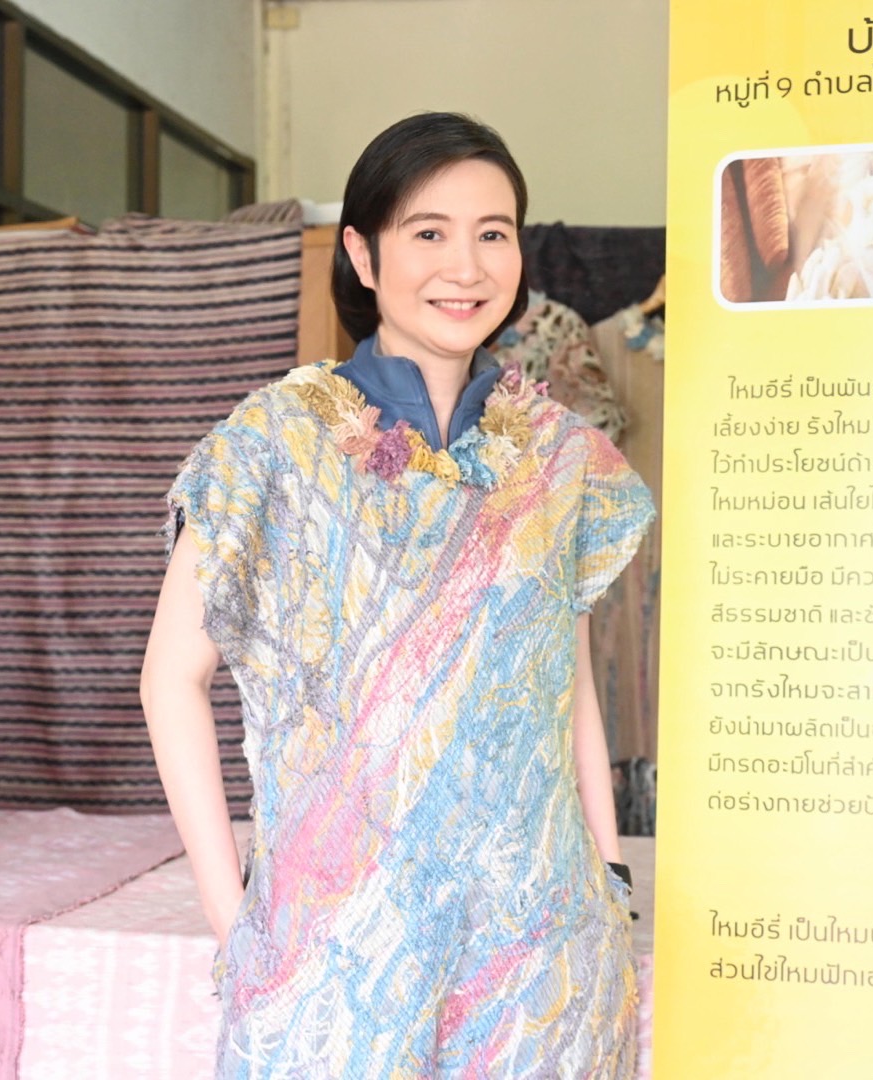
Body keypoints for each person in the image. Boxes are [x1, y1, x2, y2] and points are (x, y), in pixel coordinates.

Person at [140, 112, 653, 1078]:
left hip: (540, 957)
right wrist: (235, 918)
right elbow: (171, 678)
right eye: (428, 232)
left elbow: (566, 675)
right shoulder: (274, 444)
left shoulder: (556, 455)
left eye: (492, 232)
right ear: (362, 254)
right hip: (336, 957)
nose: (466, 266)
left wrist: (609, 869)